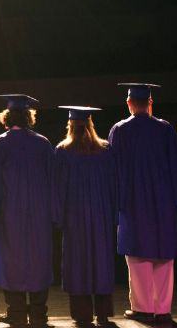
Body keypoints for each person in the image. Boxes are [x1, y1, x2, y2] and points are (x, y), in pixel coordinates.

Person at [108, 84, 177, 323]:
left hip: (133, 200)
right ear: (150, 103)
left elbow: (114, 170)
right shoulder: (165, 129)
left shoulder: (120, 130)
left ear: (129, 103)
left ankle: (143, 307)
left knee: (138, 253)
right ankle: (162, 308)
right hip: (163, 201)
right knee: (163, 254)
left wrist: (117, 202)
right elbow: (176, 167)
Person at [0, 95, 56, 328]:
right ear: (29, 117)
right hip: (39, 213)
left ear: (6, 117)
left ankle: (16, 313)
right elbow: (52, 180)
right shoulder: (43, 143)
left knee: (11, 261)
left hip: (9, 212)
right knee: (39, 260)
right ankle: (38, 315)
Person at [54, 106, 117, 327]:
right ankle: (103, 314)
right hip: (101, 216)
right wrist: (112, 214)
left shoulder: (63, 151)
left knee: (78, 263)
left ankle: (82, 315)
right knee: (101, 262)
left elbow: (58, 189)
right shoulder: (105, 151)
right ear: (91, 124)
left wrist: (59, 217)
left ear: (70, 125)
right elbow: (114, 186)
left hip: (75, 217)